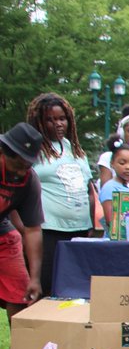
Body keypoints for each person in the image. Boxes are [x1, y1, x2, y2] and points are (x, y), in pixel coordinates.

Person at [26, 93, 95, 296]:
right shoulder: (33, 149)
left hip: (80, 230)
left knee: (75, 288)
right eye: (50, 119)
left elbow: (89, 189)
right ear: (39, 121)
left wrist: (90, 223)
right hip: (48, 230)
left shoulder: (75, 149)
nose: (57, 124)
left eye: (62, 118)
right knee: (47, 285)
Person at [0, 123, 45, 324]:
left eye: (26, 166)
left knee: (21, 292)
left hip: (2, 232)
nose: (20, 172)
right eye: (17, 165)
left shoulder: (29, 181)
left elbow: (33, 229)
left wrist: (34, 278)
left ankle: (21, 348)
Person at [98, 138, 129, 231]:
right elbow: (110, 221)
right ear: (112, 163)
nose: (128, 167)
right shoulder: (109, 187)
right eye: (122, 163)